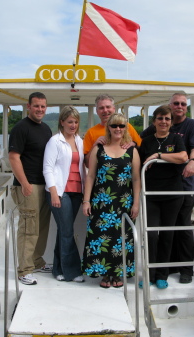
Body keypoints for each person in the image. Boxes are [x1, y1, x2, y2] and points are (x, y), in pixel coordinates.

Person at [140, 93, 194, 284]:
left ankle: (183, 270)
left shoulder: (189, 128)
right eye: (175, 103)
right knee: (153, 234)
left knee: (180, 230)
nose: (179, 106)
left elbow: (191, 151)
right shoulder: (149, 135)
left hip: (181, 189)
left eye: (183, 104)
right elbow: (136, 146)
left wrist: (192, 162)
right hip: (153, 192)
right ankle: (156, 272)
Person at [82, 113, 141, 288]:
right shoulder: (98, 149)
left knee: (121, 239)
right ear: (108, 127)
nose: (118, 129)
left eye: (122, 126)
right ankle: (105, 274)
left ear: (126, 128)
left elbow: (136, 179)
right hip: (101, 202)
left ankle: (118, 274)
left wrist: (136, 203)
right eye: (114, 125)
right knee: (102, 238)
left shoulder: (132, 150)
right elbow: (90, 176)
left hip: (124, 203)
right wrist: (86, 201)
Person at [139, 105, 188, 289]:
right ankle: (149, 274)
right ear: (154, 121)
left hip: (172, 195)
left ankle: (162, 275)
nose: (164, 122)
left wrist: (158, 155)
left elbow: (183, 157)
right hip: (151, 195)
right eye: (160, 118)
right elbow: (138, 163)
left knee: (167, 235)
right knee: (151, 236)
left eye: (167, 119)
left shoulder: (176, 139)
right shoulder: (146, 141)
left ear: (171, 122)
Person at [9, 92, 53, 285]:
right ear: (28, 106)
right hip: (28, 186)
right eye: (36, 106)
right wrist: (25, 184)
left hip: (44, 185)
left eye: (43, 106)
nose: (40, 110)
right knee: (28, 228)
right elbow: (13, 157)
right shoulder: (20, 128)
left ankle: (36, 261)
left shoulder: (46, 129)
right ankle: (24, 270)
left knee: (42, 227)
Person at [43, 106, 85, 283]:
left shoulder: (80, 141)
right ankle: (72, 271)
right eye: (69, 122)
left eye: (75, 122)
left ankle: (58, 269)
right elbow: (48, 168)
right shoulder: (55, 141)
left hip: (76, 192)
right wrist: (53, 193)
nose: (73, 125)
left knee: (63, 230)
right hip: (60, 192)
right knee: (67, 231)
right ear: (62, 122)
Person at [83, 94, 142, 168]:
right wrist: (95, 145)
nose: (105, 110)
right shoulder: (91, 132)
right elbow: (87, 164)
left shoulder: (127, 127)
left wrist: (134, 144)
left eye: (108, 107)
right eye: (101, 108)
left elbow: (142, 151)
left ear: (114, 109)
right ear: (97, 111)